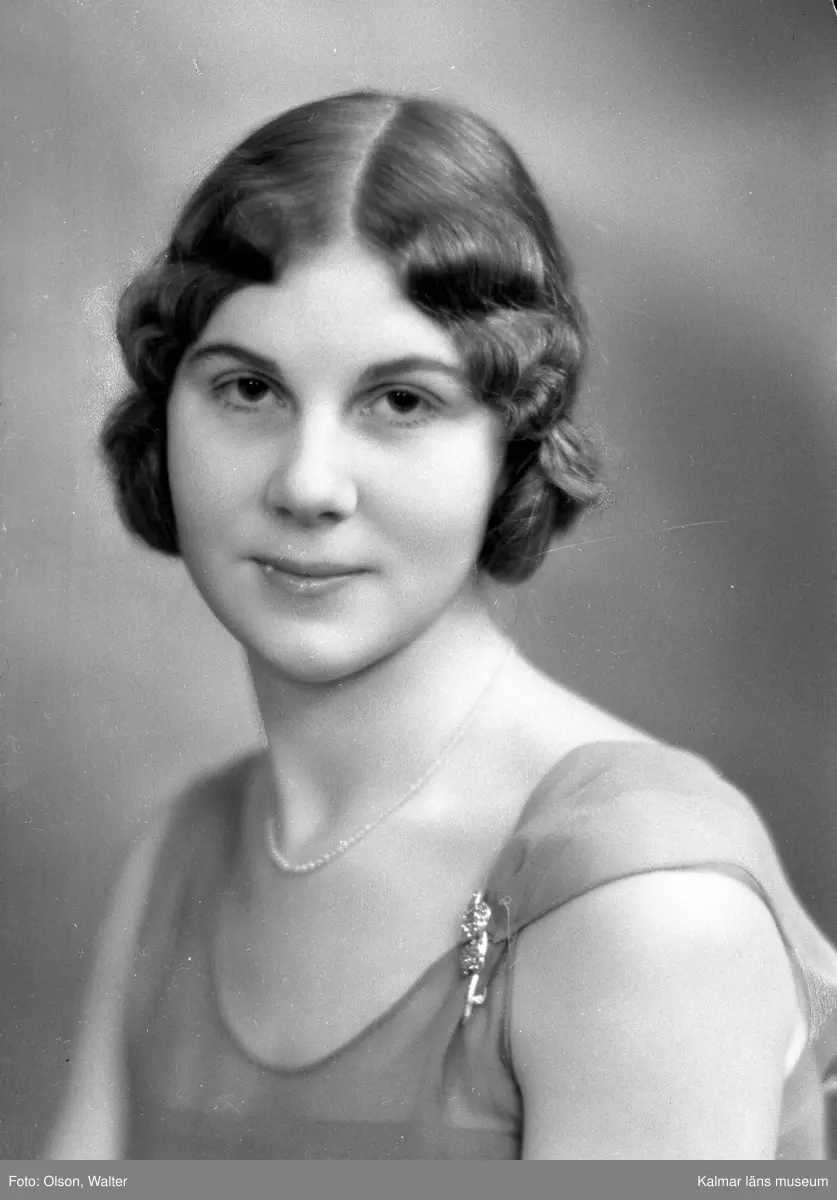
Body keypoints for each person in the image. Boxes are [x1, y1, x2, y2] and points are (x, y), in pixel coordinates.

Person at [45, 90, 837, 1160]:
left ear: (512, 444)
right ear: (164, 415)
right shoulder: (179, 860)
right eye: (248, 388)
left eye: (402, 402)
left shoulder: (643, 899)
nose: (308, 485)